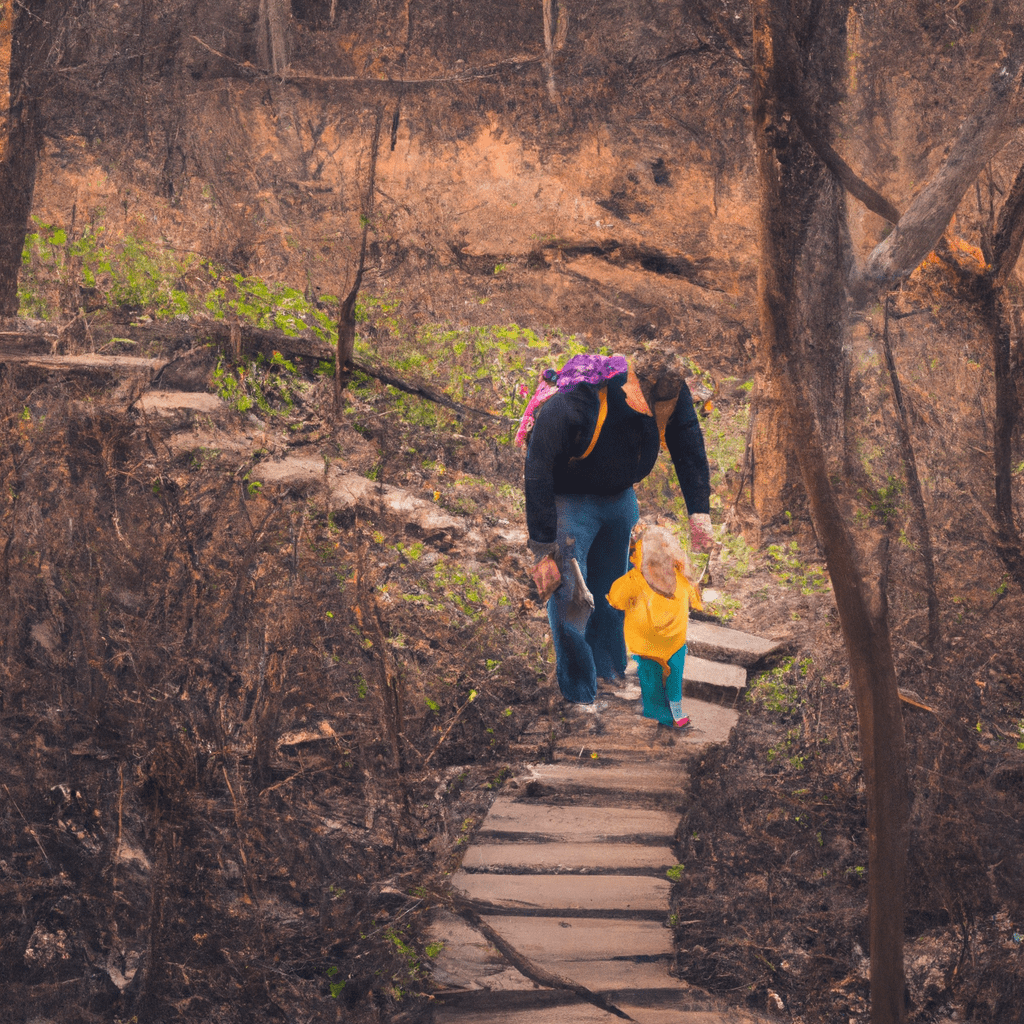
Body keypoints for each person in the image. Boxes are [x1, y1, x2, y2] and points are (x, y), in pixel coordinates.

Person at [521, 350, 713, 708]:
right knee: (570, 595)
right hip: (570, 498)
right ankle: (579, 694)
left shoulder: (670, 394)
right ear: (630, 381)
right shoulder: (578, 400)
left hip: (620, 499)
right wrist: (542, 548)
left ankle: (608, 673)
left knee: (614, 593)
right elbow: (538, 469)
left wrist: (699, 513)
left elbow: (688, 445)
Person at [606, 524, 702, 728]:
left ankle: (657, 712)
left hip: (645, 646)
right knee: (674, 680)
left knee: (651, 682)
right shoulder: (680, 576)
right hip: (674, 643)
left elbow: (616, 599)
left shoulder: (635, 580)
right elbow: (695, 598)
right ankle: (676, 713)